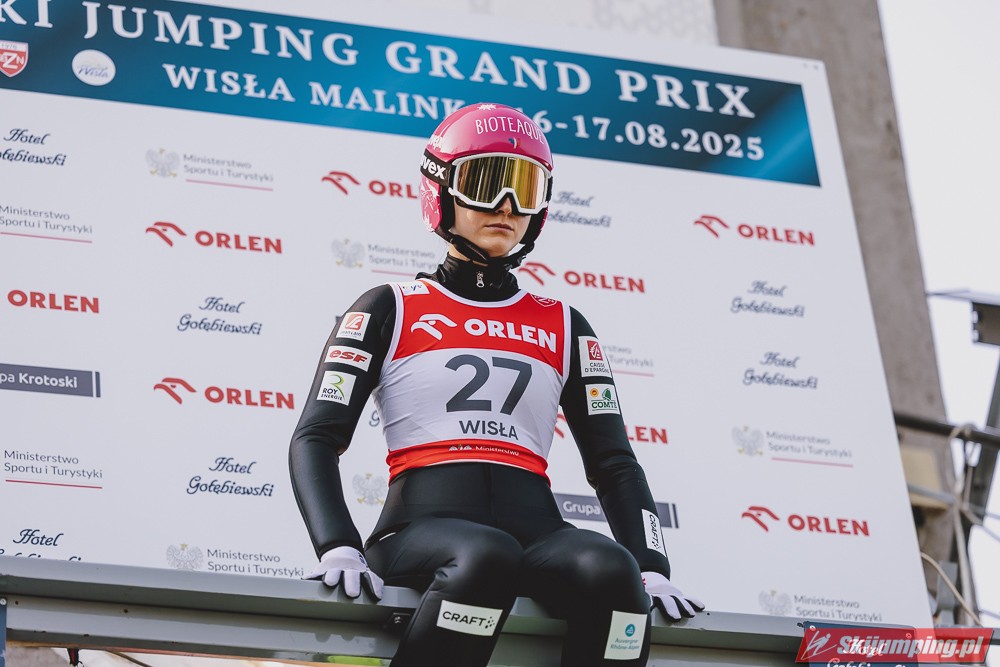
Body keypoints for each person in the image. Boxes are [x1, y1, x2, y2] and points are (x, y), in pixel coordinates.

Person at [289, 102, 703, 667]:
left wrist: (651, 567)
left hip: (537, 532)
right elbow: (316, 435)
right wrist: (337, 543)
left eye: (525, 189)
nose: (506, 206)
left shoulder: (564, 323)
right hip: (419, 531)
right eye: (485, 183)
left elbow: (614, 464)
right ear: (441, 191)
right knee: (487, 556)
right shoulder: (389, 306)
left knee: (614, 572)